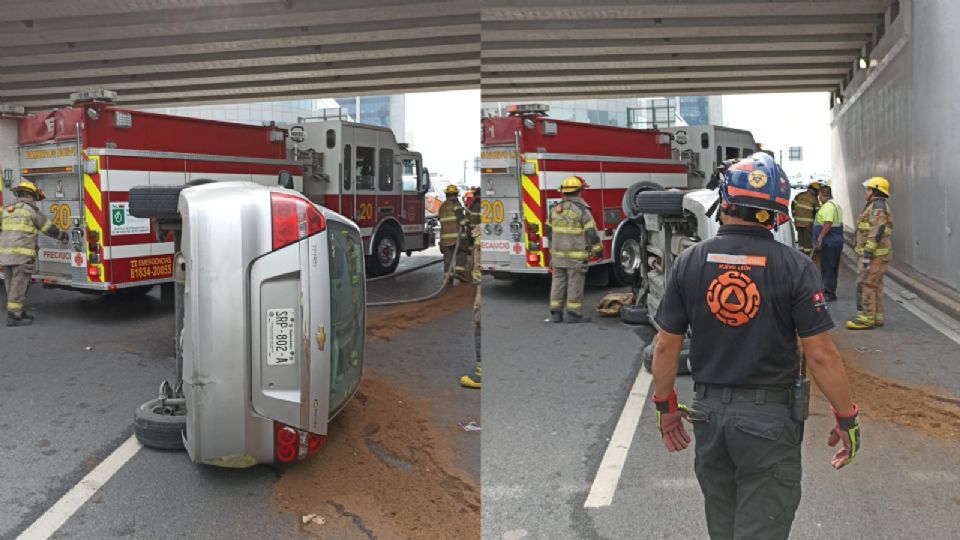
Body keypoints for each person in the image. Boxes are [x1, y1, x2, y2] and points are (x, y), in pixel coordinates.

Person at [651, 153, 860, 540]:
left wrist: (666, 408)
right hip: (768, 423)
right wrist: (846, 417)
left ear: (724, 203)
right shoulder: (795, 267)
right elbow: (820, 354)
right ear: (776, 215)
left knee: (723, 528)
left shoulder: (690, 261)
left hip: (709, 417)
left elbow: (665, 346)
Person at [1, 180, 69, 326]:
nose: (35, 201)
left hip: (6, 256)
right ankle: (14, 317)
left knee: (11, 285)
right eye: (34, 198)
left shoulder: (7, 210)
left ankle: (18, 311)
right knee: (19, 285)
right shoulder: (31, 211)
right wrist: (62, 236)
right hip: (22, 257)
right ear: (29, 196)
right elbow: (48, 228)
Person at [545, 176, 602, 323]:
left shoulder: (555, 210)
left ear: (563, 192)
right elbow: (591, 233)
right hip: (576, 257)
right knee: (575, 283)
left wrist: (553, 251)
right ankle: (573, 314)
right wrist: (598, 250)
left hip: (558, 256)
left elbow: (549, 232)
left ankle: (556, 314)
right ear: (580, 191)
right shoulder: (582, 211)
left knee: (558, 283)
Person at [847, 176, 893, 330]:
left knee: (865, 284)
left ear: (875, 190)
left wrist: (867, 253)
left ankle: (865, 318)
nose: (866, 192)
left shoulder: (877, 207)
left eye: (868, 189)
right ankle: (877, 317)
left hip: (874, 256)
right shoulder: (875, 205)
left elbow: (876, 230)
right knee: (876, 285)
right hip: (878, 255)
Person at [813, 184, 843, 301]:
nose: (819, 198)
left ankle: (829, 293)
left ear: (822, 195)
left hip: (829, 243)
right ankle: (829, 290)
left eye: (819, 195)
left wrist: (819, 239)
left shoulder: (829, 207)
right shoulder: (835, 205)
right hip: (834, 243)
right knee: (831, 268)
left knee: (828, 268)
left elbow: (828, 223)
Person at [437, 184, 469, 282]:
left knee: (448, 257)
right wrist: (467, 221)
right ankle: (460, 273)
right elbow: (462, 221)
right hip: (457, 237)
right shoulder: (456, 204)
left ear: (446, 194)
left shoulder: (442, 206)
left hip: (445, 238)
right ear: (456, 194)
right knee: (462, 252)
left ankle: (448, 276)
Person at [790, 181, 820, 257]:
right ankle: (808, 255)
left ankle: (800, 254)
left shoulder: (799, 195)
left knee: (800, 238)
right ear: (816, 191)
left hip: (797, 221)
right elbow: (818, 212)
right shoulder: (814, 199)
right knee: (807, 240)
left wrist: (794, 216)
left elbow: (792, 205)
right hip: (807, 223)